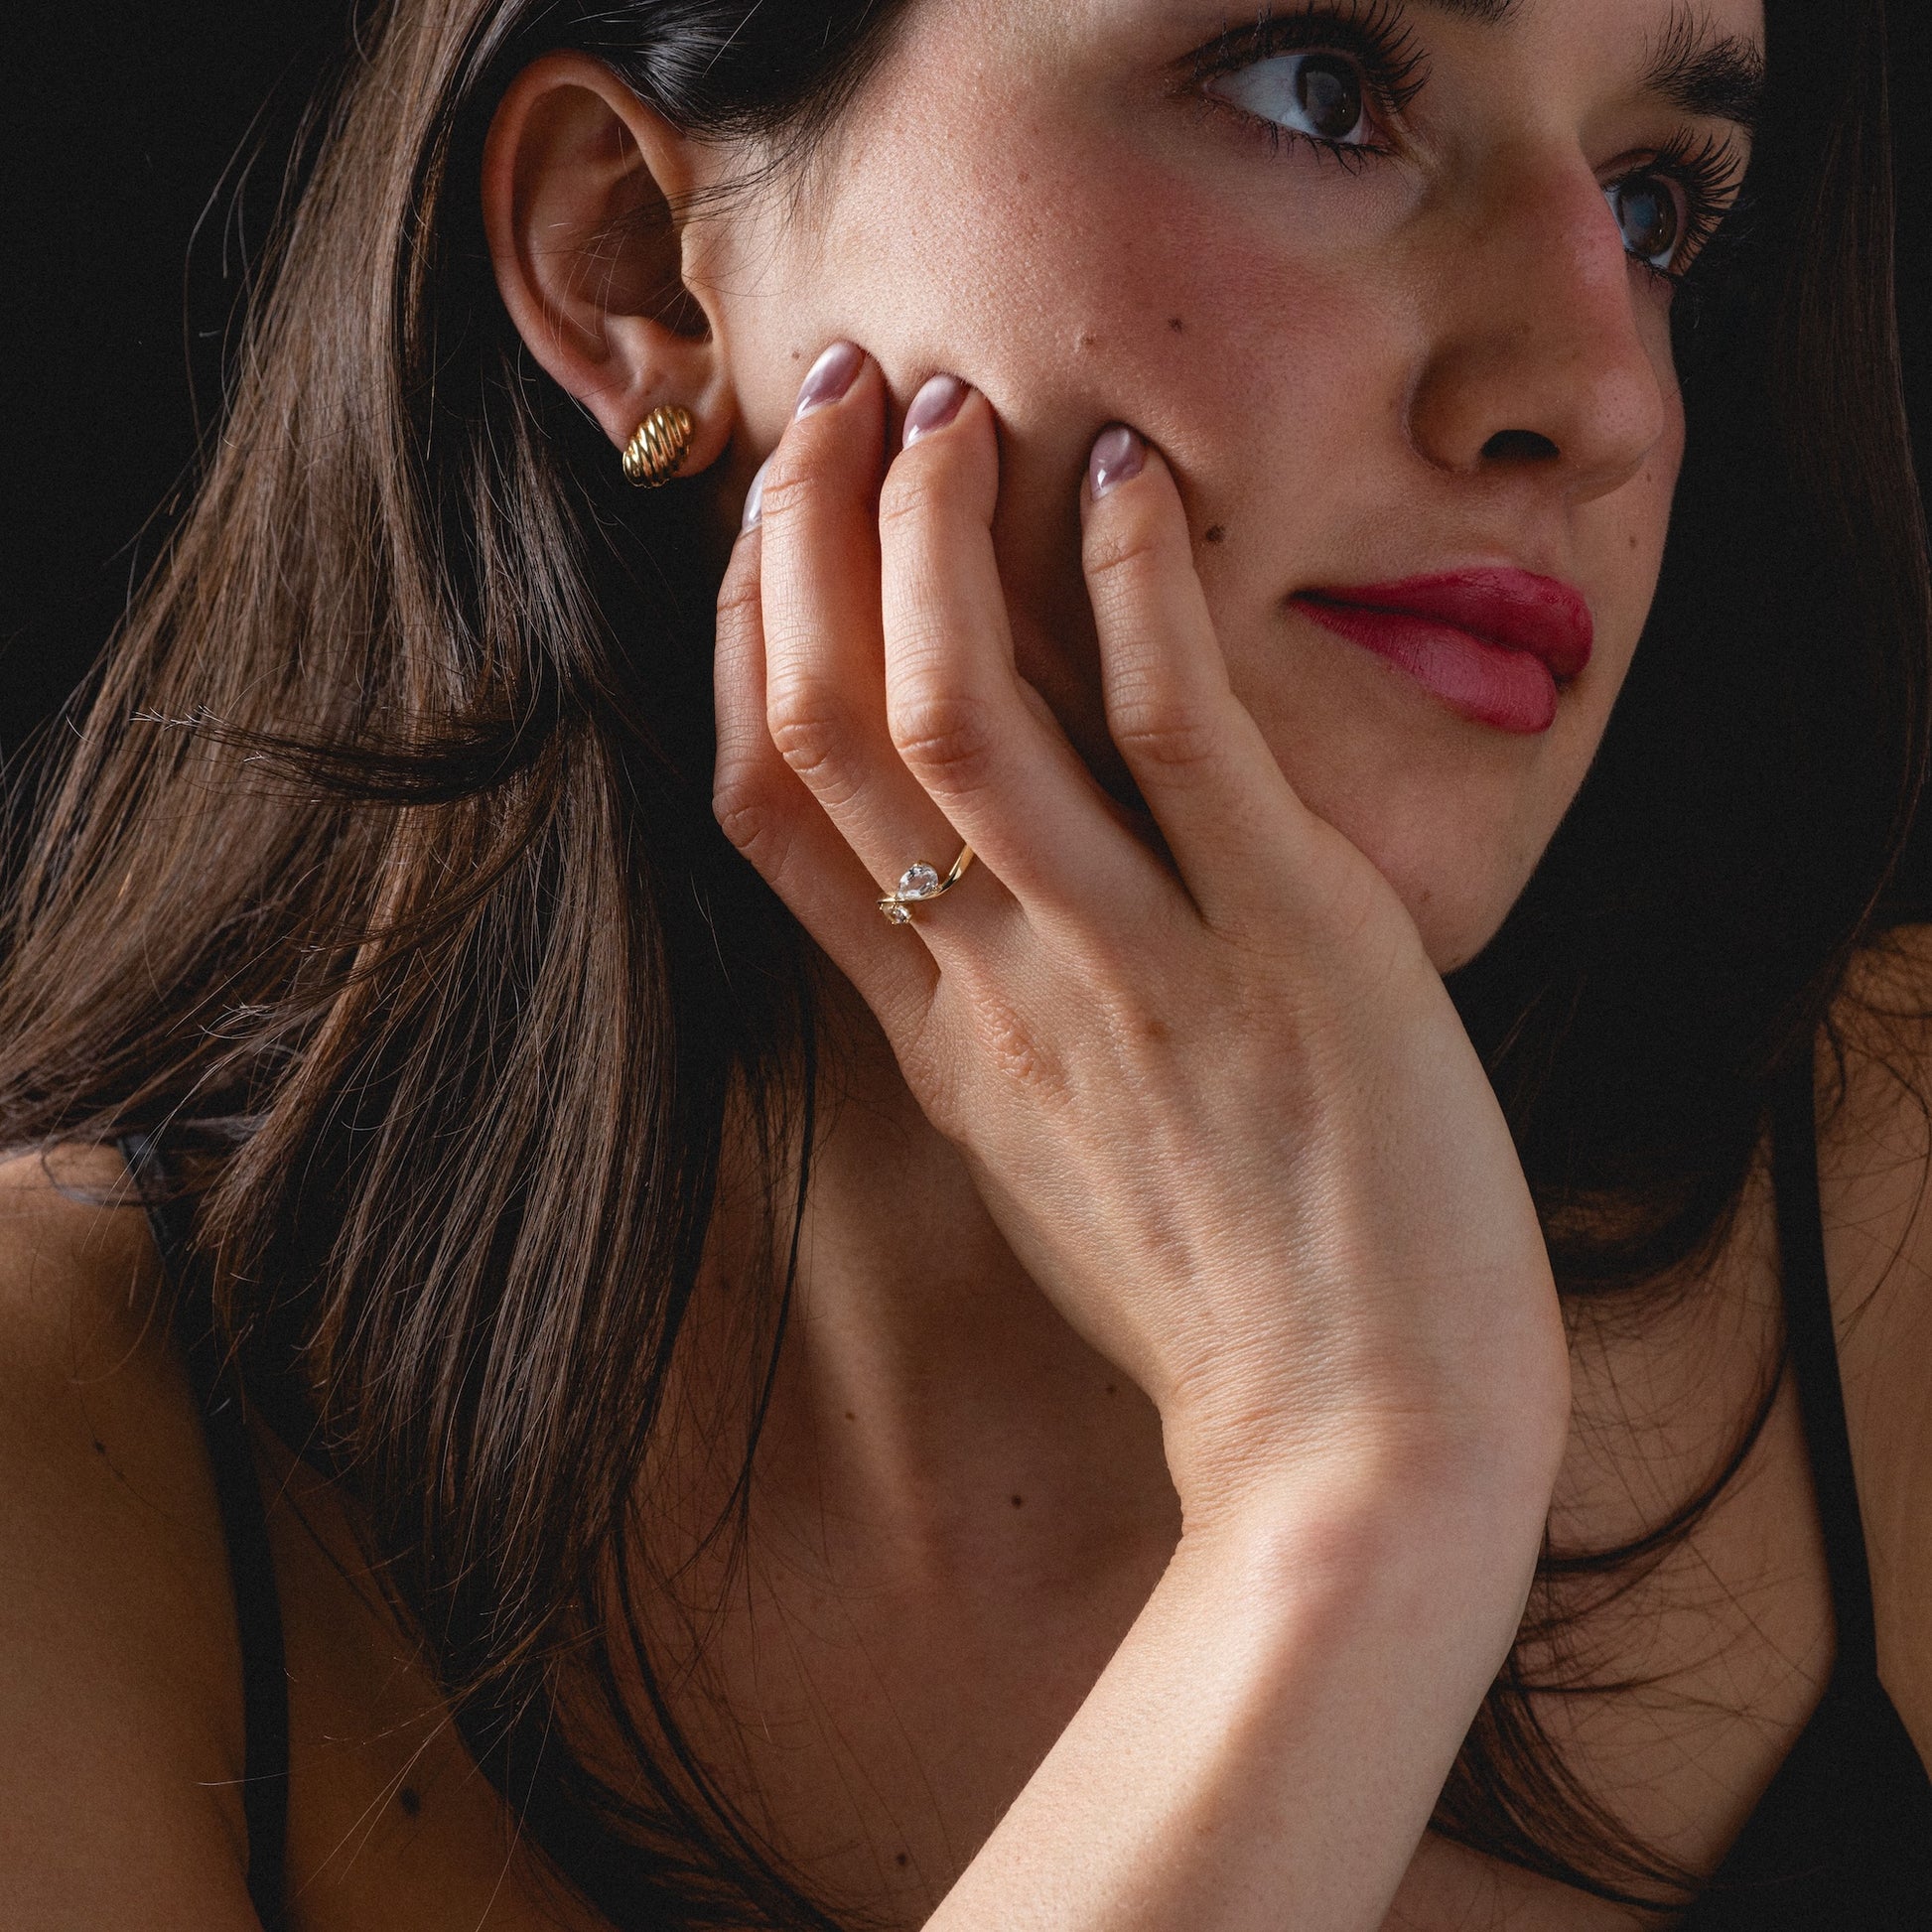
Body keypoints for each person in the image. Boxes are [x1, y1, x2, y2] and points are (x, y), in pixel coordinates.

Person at [2, 0, 1929, 1924]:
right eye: (1318, 93)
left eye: (1654, 203)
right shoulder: (67, 1485)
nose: (1598, 393)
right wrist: (1354, 1495)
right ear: (628, 257)